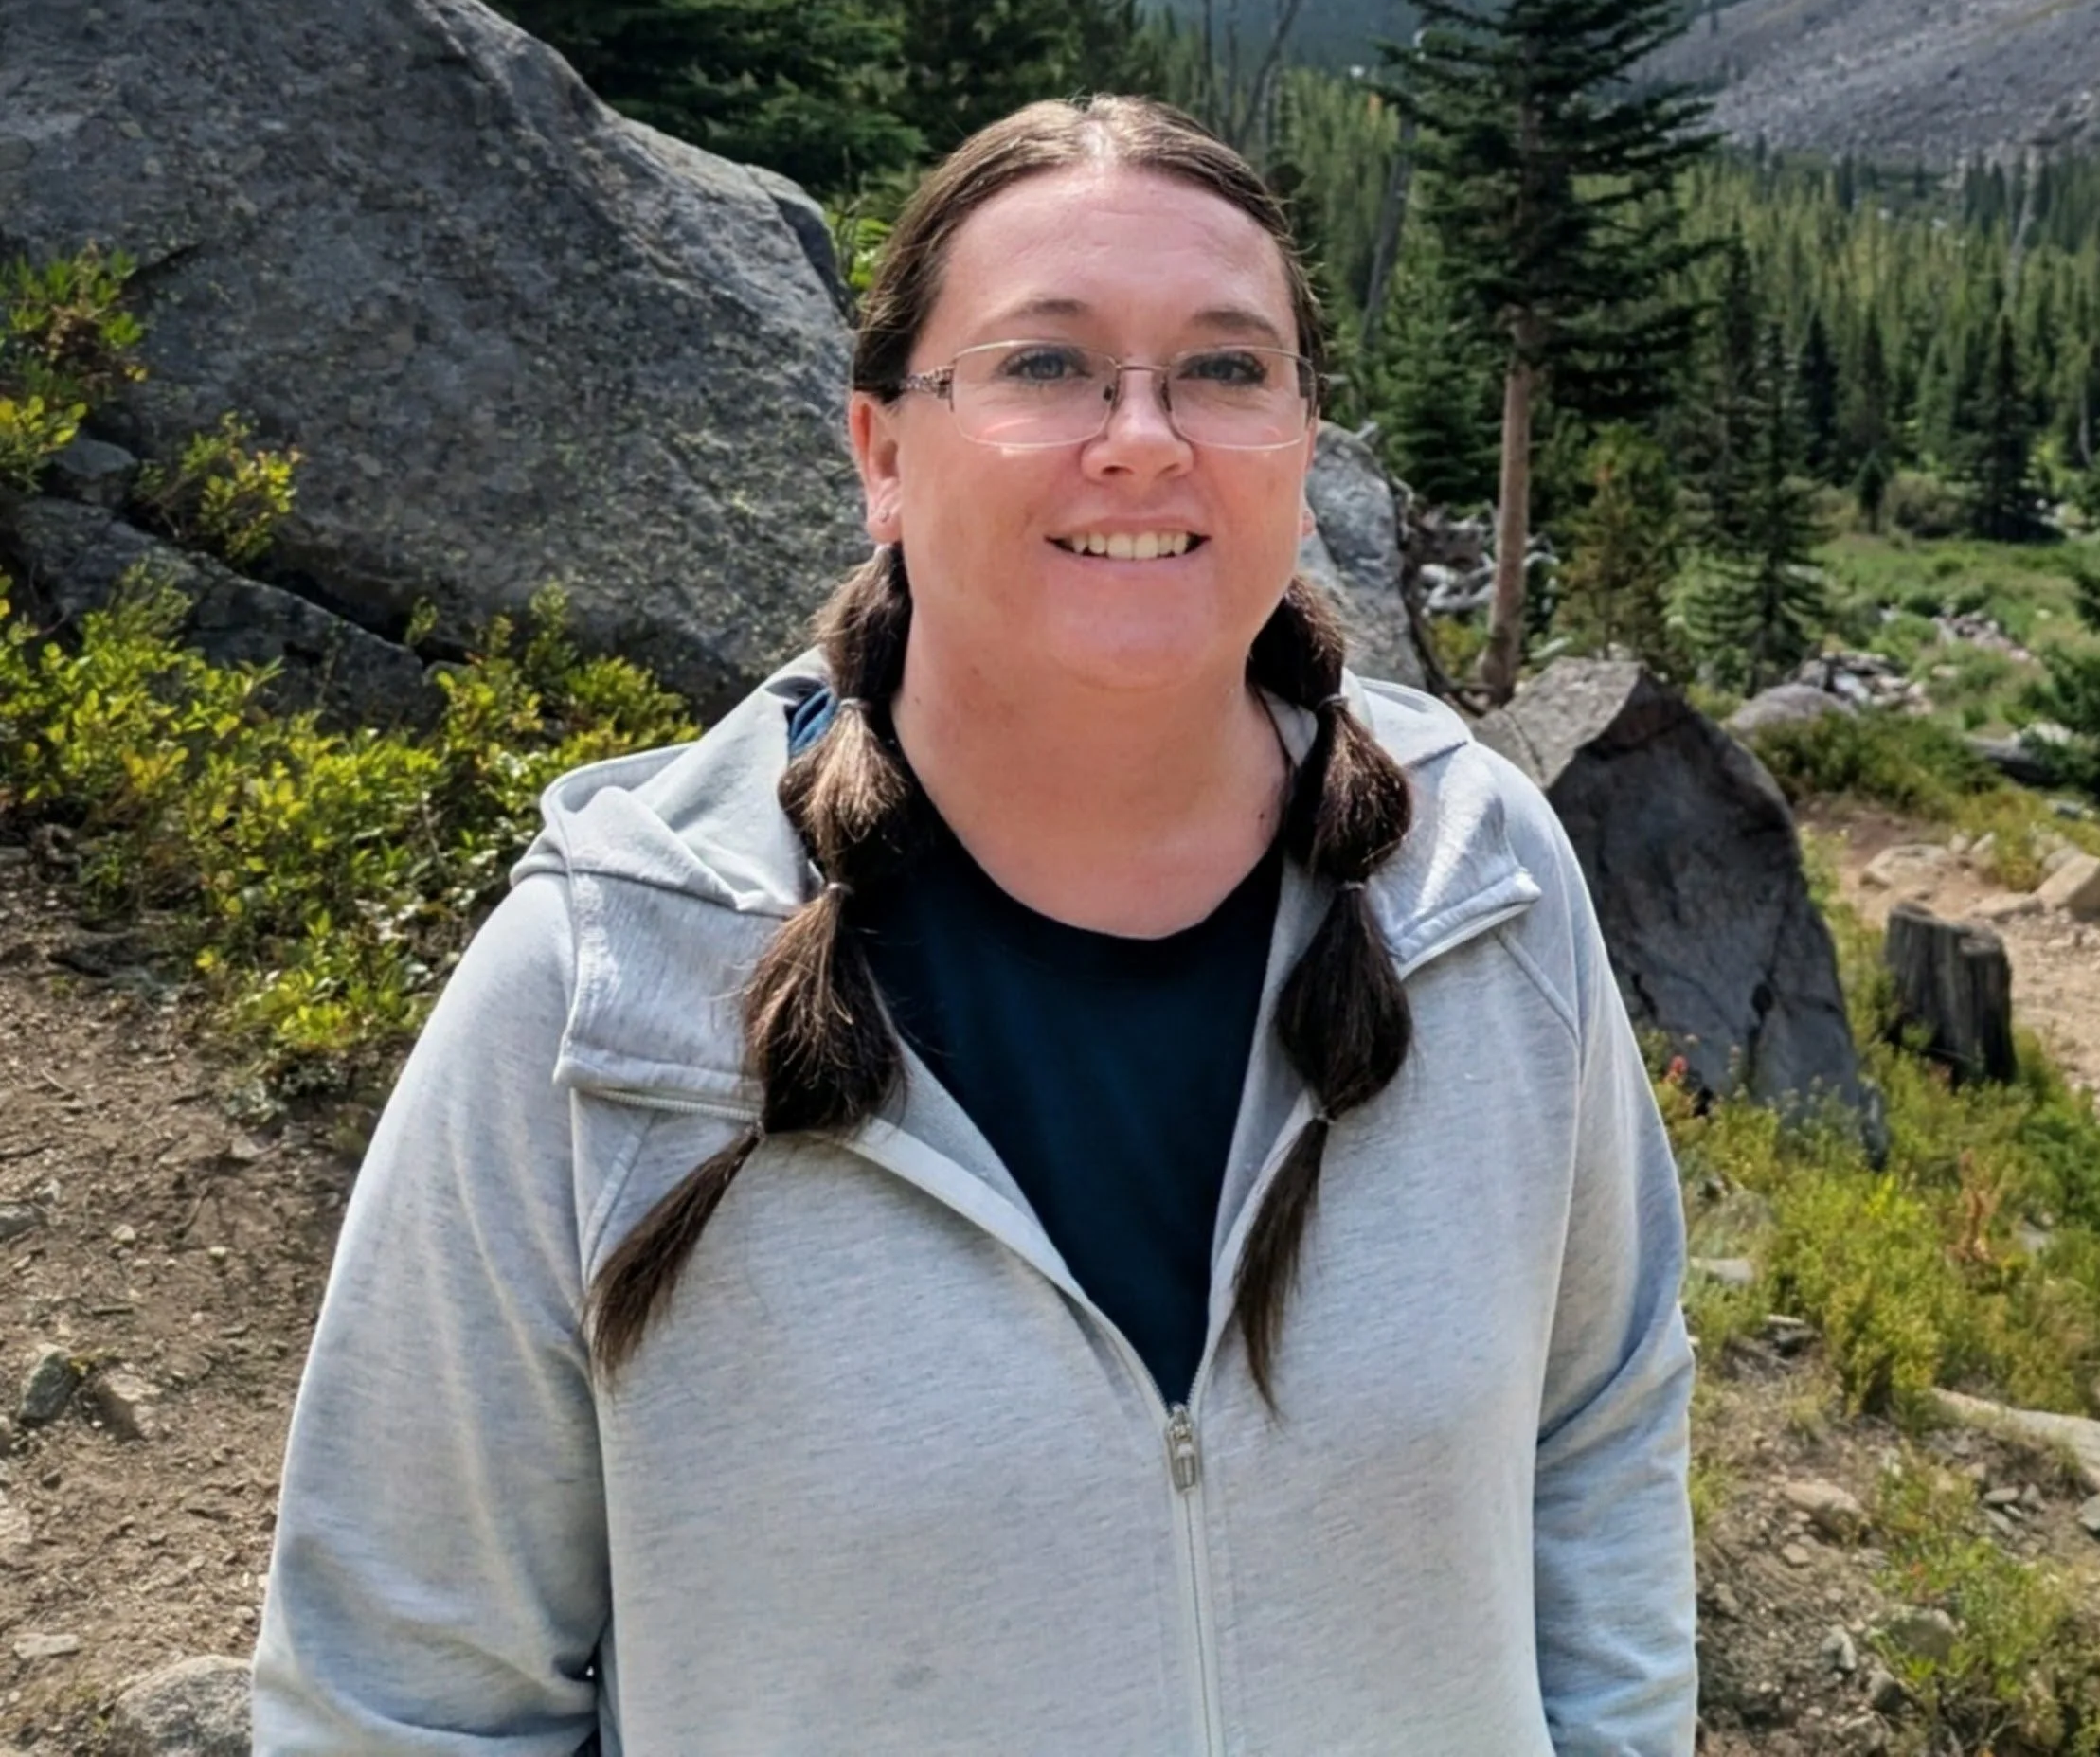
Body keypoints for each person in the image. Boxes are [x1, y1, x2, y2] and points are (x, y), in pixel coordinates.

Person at [255, 94, 1696, 1757]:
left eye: (1227, 369)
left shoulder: (1484, 891)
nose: (1143, 437)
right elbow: (397, 1698)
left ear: (1304, 447)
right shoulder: (607, 990)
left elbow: (1597, 1436)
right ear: (881, 452)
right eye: (1044, 364)